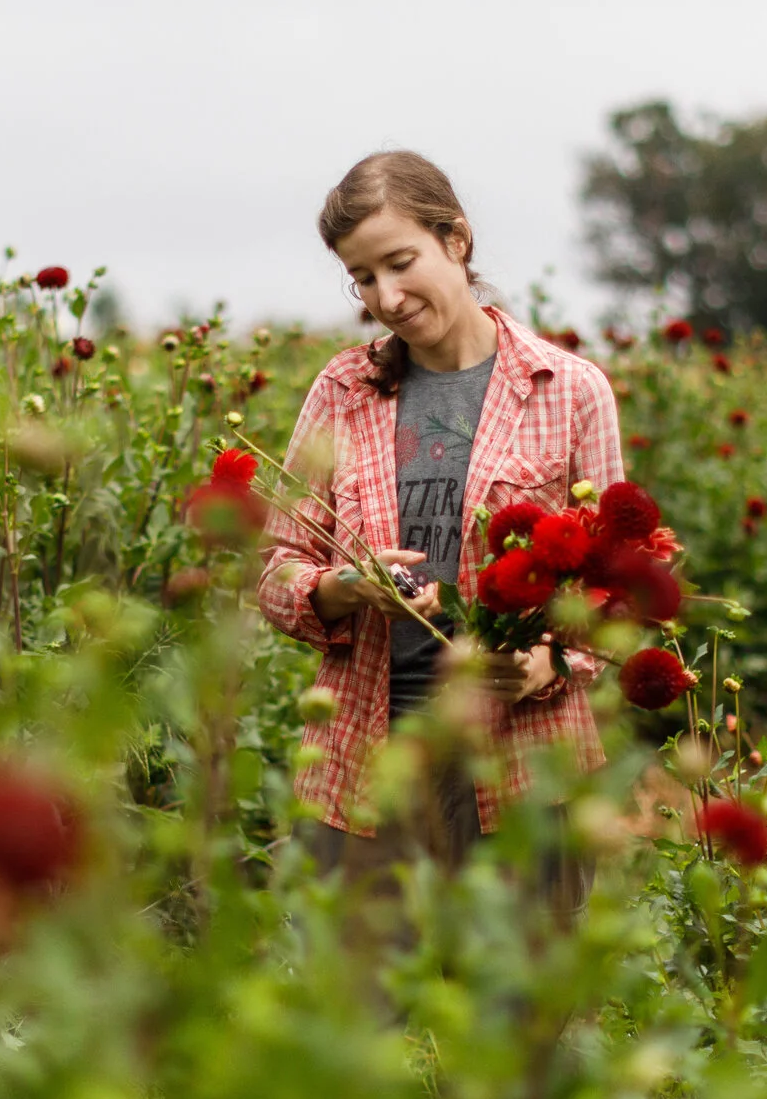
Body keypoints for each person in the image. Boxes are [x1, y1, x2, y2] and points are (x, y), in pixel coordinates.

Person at [258, 151, 624, 883]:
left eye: (400, 262)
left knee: (520, 992)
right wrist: (346, 587)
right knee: (366, 994)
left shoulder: (569, 390)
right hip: (366, 771)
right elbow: (272, 566)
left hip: (524, 768)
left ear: (455, 239)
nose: (386, 296)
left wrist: (550, 661)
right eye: (363, 277)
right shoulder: (344, 390)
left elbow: (618, 581)